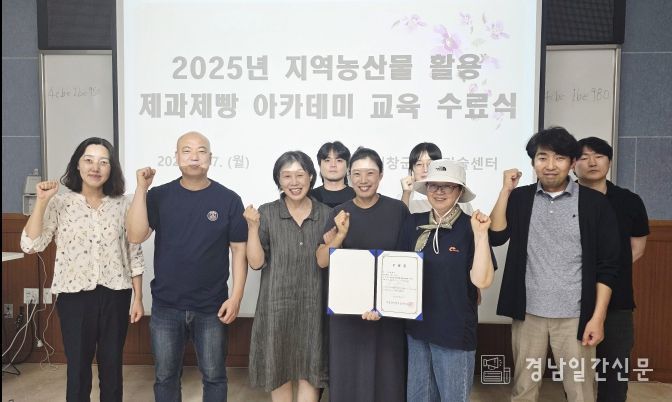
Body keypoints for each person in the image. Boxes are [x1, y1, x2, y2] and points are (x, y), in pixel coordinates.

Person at [489, 127, 620, 402]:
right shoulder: (521, 198)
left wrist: (597, 317)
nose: (550, 165)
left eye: (559, 158)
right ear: (533, 162)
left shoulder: (594, 203)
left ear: (572, 163)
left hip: (575, 316)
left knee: (580, 392)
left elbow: (608, 266)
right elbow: (496, 235)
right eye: (542, 157)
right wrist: (505, 190)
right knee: (524, 390)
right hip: (528, 313)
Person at [126, 131, 248, 402]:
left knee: (215, 376)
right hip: (166, 305)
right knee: (166, 377)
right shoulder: (158, 195)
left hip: (212, 306)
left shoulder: (228, 199)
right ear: (176, 157)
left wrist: (236, 297)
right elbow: (135, 235)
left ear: (210, 158)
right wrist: (141, 189)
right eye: (187, 150)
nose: (194, 156)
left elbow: (239, 250)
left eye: (201, 151)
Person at [21, 137, 144, 402]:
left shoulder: (123, 204)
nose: (95, 167)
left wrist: (138, 297)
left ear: (111, 168)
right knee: (77, 367)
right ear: (78, 165)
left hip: (116, 294)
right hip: (74, 296)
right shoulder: (60, 203)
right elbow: (30, 244)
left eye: (103, 162)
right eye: (88, 160)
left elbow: (133, 251)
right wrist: (41, 201)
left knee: (112, 366)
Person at [398, 159, 496, 402]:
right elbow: (397, 270)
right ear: (426, 189)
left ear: (459, 191)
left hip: (454, 332)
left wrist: (481, 235)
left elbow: (482, 281)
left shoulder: (472, 226)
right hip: (417, 330)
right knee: (418, 398)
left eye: (448, 186)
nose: (439, 192)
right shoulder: (412, 223)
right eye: (434, 185)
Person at [316, 147, 409, 402]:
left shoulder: (398, 210)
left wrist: (385, 304)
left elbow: (408, 259)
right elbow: (322, 260)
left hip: (388, 312)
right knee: (348, 379)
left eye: (370, 173)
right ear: (349, 176)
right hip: (347, 313)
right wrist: (340, 235)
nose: (363, 180)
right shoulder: (339, 213)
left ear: (381, 175)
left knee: (388, 379)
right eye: (356, 173)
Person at [244, 151, 330, 402]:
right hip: (276, 308)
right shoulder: (268, 212)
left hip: (314, 308)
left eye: (300, 175)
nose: (294, 182)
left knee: (310, 372)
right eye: (287, 176)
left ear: (311, 177)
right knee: (278, 370)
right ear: (278, 181)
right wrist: (252, 228)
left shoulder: (326, 214)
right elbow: (256, 263)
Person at [574, 137, 649, 402]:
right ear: (572, 165)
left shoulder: (629, 201)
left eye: (599, 156)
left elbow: (637, 248)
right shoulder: (564, 199)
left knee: (614, 372)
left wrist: (606, 273)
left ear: (609, 161)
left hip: (617, 299)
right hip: (572, 299)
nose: (592, 162)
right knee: (576, 376)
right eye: (584, 157)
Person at [310, 141, 355, 208]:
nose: (333, 165)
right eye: (327, 160)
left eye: (339, 160)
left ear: (347, 166)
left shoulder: (358, 196)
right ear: (319, 165)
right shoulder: (310, 197)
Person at [400, 142, 442, 213]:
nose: (425, 169)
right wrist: (406, 193)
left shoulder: (449, 194)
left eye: (430, 164)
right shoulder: (405, 197)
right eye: (419, 164)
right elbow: (400, 218)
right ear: (411, 169)